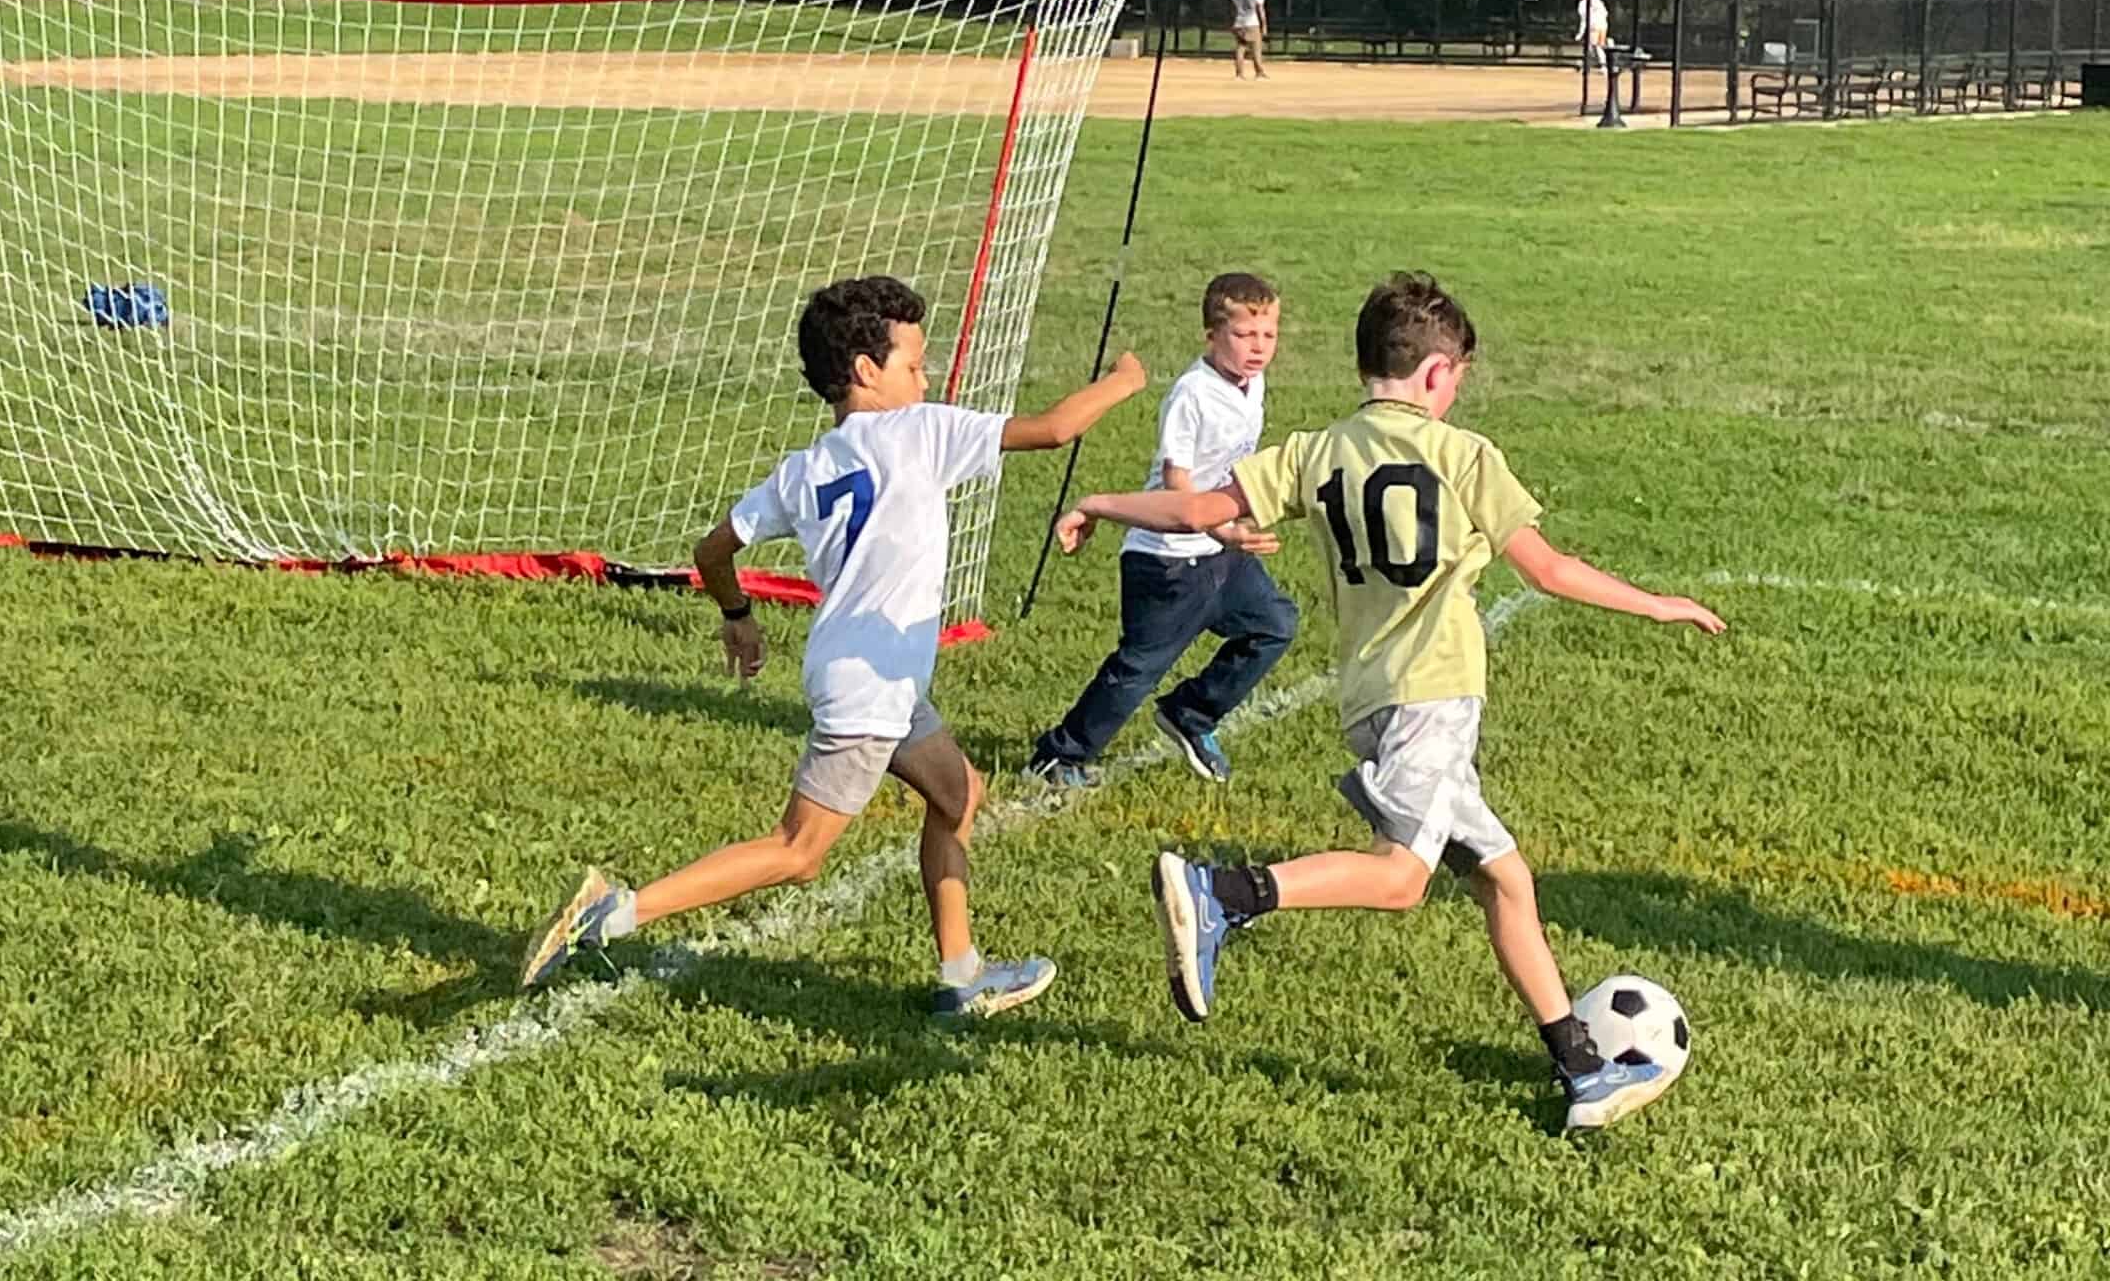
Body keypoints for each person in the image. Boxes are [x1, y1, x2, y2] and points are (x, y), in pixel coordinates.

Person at [1053, 272, 1726, 1130]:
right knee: (1402, 878)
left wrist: (1098, 503)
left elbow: (1192, 510)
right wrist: (1659, 602)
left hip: (1369, 700)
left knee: (1504, 879)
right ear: (1440, 374)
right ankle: (1225, 892)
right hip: (1432, 699)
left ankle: (1578, 1063)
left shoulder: (1317, 449)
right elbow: (1549, 571)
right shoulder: (1463, 456)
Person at [522, 277, 1146, 1015]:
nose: (927, 377)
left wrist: (736, 614)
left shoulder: (805, 466)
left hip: (875, 674)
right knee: (799, 850)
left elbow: (713, 548)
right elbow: (1052, 430)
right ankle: (615, 912)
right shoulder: (918, 432)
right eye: (914, 365)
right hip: (868, 688)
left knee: (957, 792)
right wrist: (1124, 381)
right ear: (864, 370)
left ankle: (962, 974)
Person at [1025, 272, 1298, 788]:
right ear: (1211, 335)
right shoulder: (1191, 395)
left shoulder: (1252, 383)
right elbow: (1178, 490)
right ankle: (1059, 756)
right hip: (1167, 559)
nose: (1259, 348)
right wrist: (1228, 532)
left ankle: (1191, 714)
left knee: (1275, 623)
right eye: (1244, 335)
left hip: (1218, 547)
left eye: (1269, 335)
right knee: (1138, 668)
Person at [1231, 0, 1270, 79]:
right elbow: (1260, 10)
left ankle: (1239, 74)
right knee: (1256, 48)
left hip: (1239, 22)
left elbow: (1233, 9)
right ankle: (1259, 72)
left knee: (1240, 48)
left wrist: (1233, 22)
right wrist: (1264, 26)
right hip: (1252, 23)